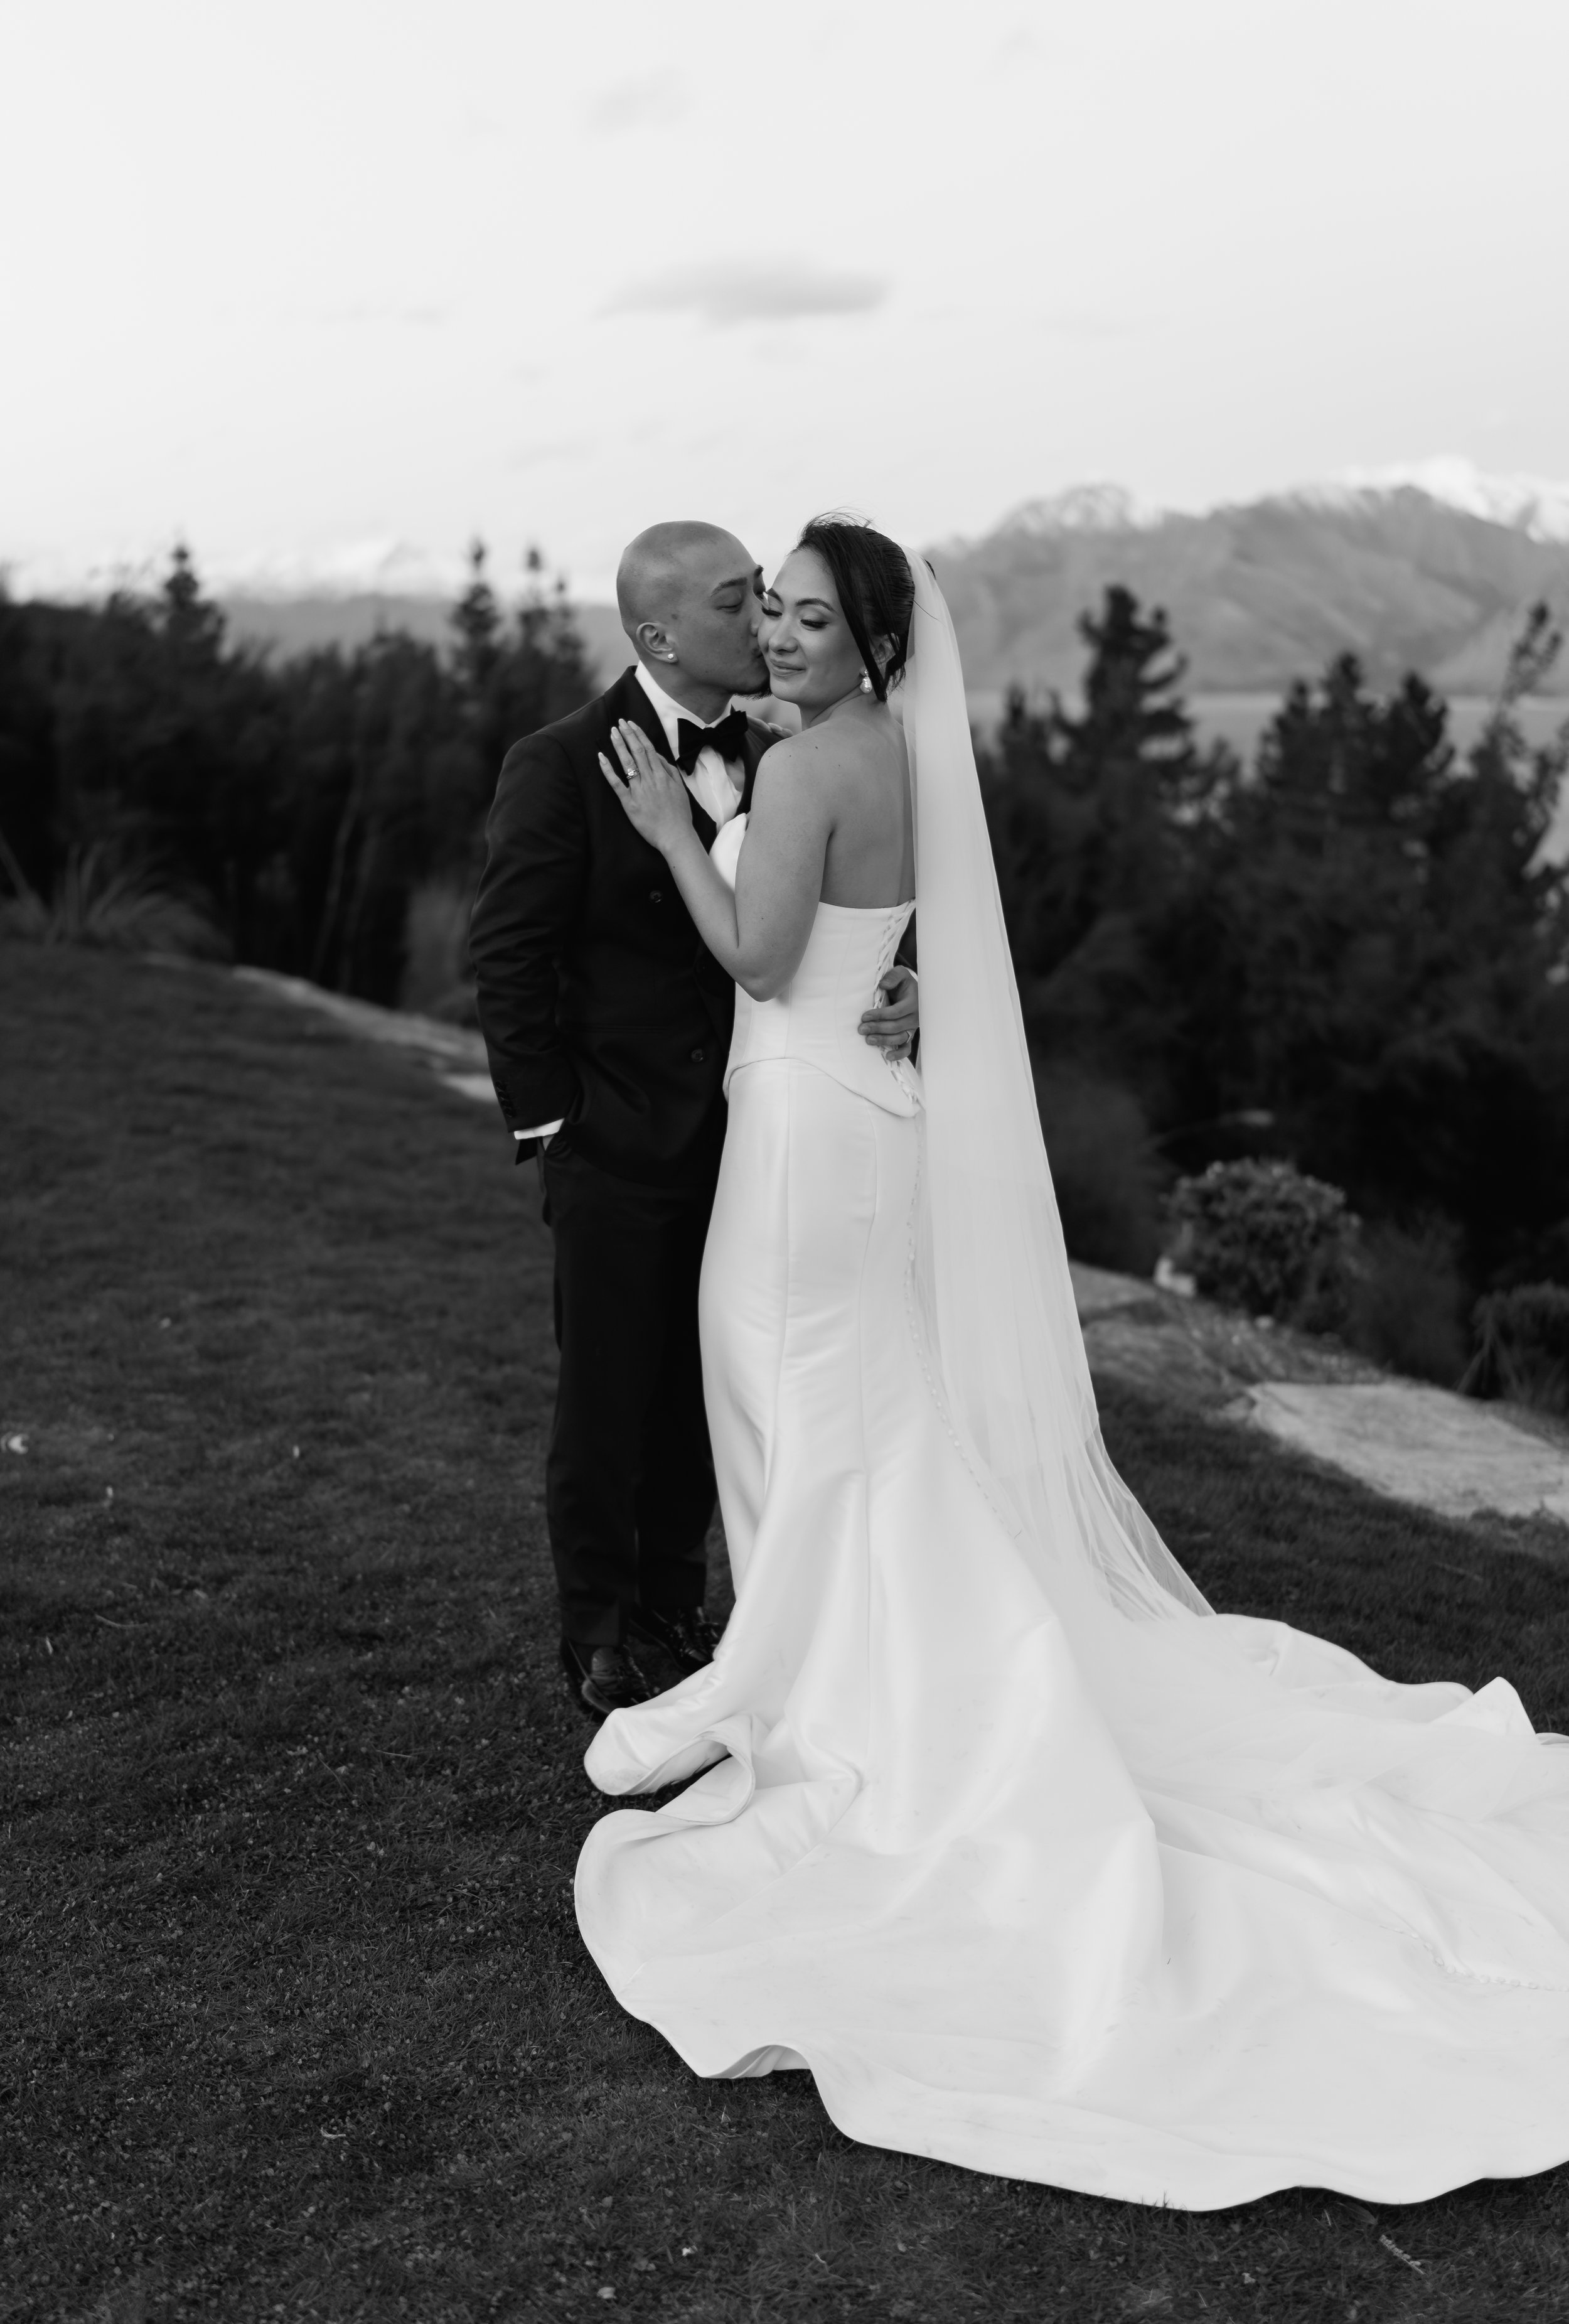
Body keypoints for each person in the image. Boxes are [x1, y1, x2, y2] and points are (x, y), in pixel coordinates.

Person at [574, 514, 1569, 2210]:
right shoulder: (884, 749)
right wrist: (855, 952)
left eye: (814, 617)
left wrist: (680, 831)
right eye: (778, 614)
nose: (790, 636)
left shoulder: (815, 760)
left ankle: (832, 1696)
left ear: (876, 638)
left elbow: (752, 954)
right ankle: (831, 1668)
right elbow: (902, 947)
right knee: (847, 1408)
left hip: (807, 1134)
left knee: (799, 1396)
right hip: (862, 1112)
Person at [468, 522, 919, 1719]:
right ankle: (599, 1632)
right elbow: (507, 956)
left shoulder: (784, 748)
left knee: (704, 1393)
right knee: (608, 1397)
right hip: (614, 1145)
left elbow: (843, 909)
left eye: (773, 596)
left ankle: (677, 1604)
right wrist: (554, 1124)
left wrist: (903, 983)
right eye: (740, 602)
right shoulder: (560, 762)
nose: (764, 620)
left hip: (757, 1134)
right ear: (661, 633)